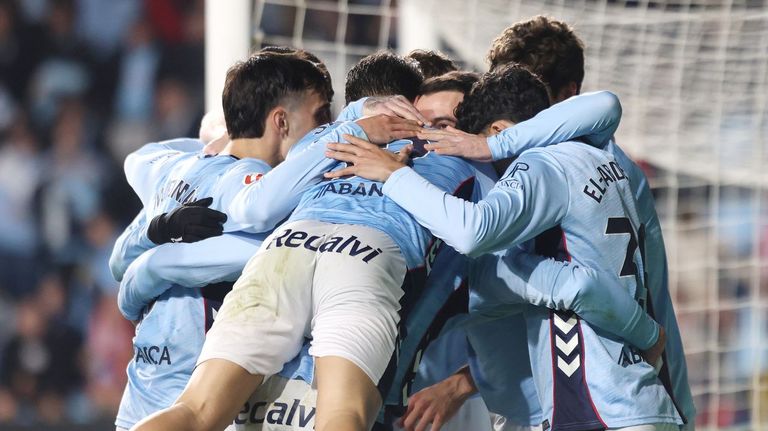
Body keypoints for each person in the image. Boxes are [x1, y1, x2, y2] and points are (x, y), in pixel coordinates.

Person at [324, 64, 683, 431]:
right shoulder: (603, 156)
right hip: (633, 396)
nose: (429, 141)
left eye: (447, 129)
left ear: (494, 132)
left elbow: (480, 235)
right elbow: (605, 105)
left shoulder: (535, 170)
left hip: (593, 403)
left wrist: (392, 174)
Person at [418, 15, 695, 430]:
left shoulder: (557, 167)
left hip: (607, 393)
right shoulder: (593, 162)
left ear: (566, 98)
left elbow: (573, 286)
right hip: (577, 394)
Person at [111, 51, 338, 430]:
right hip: (194, 398)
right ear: (281, 120)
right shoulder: (248, 187)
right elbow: (263, 221)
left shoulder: (177, 168)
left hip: (144, 392)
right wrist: (355, 128)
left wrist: (153, 255)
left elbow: (120, 262)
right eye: (320, 116)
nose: (323, 130)